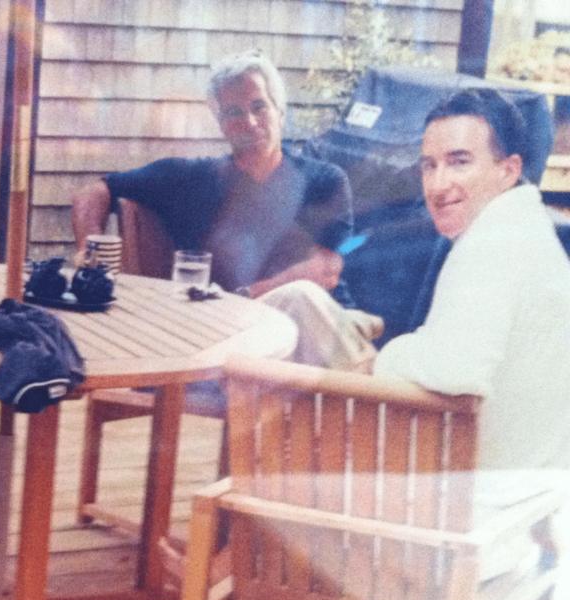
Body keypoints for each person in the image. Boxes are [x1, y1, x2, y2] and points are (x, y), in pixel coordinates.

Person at [70, 50, 378, 369]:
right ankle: (364, 399)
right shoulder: (192, 179)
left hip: (315, 323)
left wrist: (243, 297)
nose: (249, 121)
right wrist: (89, 256)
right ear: (222, 125)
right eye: (233, 112)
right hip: (234, 337)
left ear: (280, 111)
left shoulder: (323, 179)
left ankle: (358, 393)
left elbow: (324, 270)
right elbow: (94, 192)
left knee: (302, 297)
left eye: (259, 106)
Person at [375, 88, 570, 527]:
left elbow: (460, 372)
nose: (438, 185)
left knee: (272, 467)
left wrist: (387, 357)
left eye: (459, 161)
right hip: (530, 504)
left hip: (483, 520)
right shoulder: (522, 227)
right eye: (429, 165)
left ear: (508, 169)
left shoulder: (496, 243)